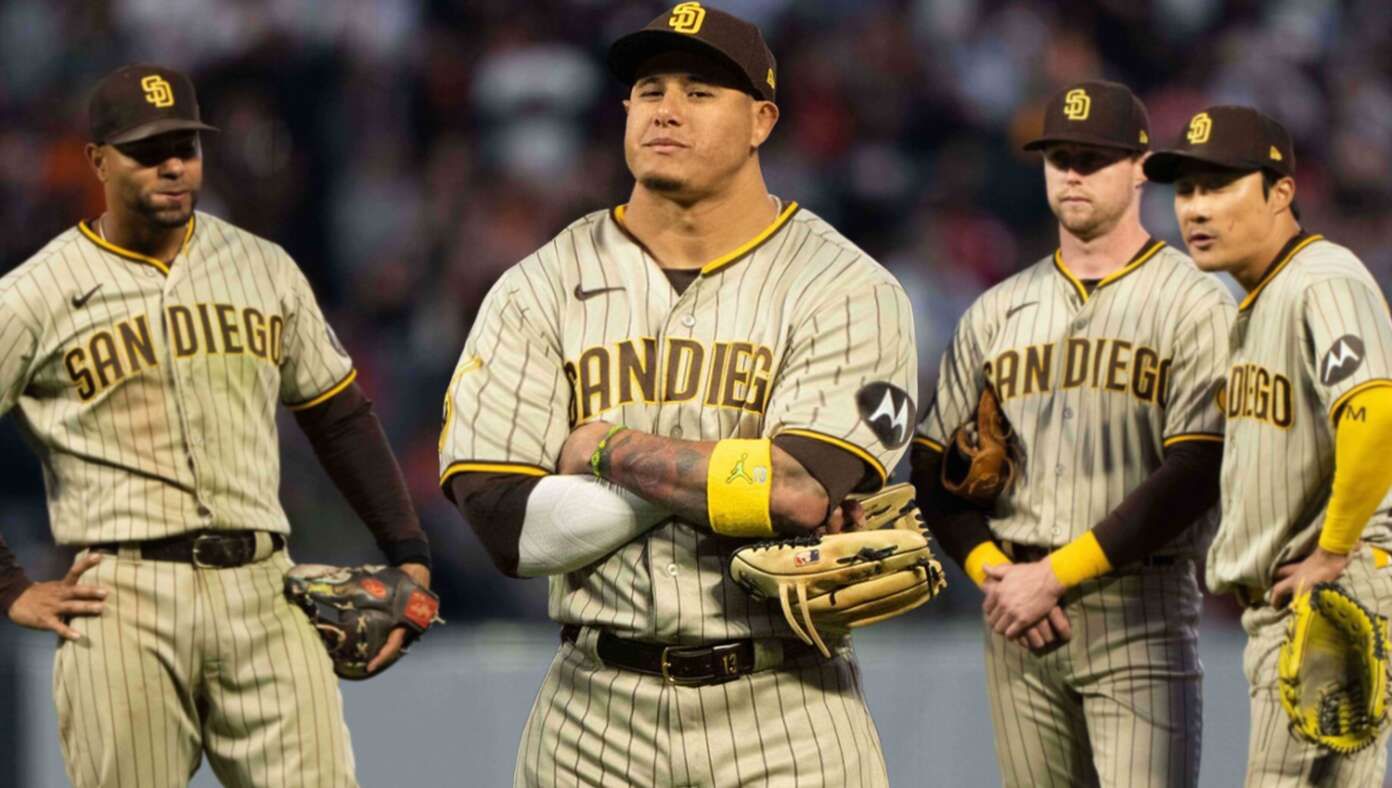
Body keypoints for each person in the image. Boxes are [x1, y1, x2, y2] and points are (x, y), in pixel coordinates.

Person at [438, 4, 917, 785]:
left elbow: (797, 492)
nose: (666, 109)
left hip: (786, 706)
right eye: (649, 89)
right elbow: (508, 527)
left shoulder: (849, 287)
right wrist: (735, 480)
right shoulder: (538, 286)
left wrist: (606, 449)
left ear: (761, 120)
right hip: (593, 711)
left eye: (699, 92)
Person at [0, 63, 430, 787]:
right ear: (98, 161)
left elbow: (338, 417)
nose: (173, 166)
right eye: (147, 151)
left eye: (186, 147)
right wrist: (10, 587)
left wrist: (407, 549)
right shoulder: (33, 294)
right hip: (120, 598)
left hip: (263, 588)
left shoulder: (265, 268)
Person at [911, 81, 1235, 787]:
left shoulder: (1196, 302)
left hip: (1137, 606)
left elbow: (1196, 472)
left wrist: (1054, 575)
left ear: (1141, 167)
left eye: (1093, 159)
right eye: (1060, 159)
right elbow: (931, 465)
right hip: (1015, 614)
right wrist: (993, 573)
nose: (1073, 174)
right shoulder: (997, 310)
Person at [1146, 104, 1392, 786]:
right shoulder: (1263, 299)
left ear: (1281, 191)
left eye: (1220, 185)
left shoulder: (1322, 279)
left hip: (1330, 593)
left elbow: (1376, 410)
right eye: (1186, 189)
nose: (1196, 208)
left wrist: (1334, 550)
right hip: (1307, 594)